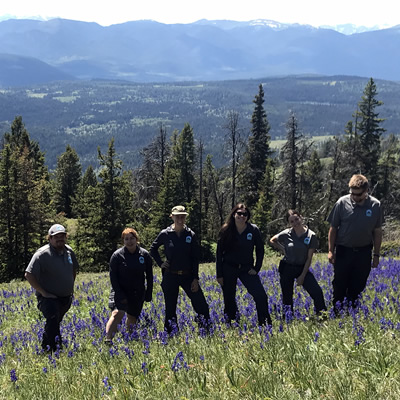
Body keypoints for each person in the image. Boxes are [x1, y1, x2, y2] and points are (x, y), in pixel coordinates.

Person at [150, 205, 210, 334]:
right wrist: (161, 263)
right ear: (172, 217)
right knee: (170, 308)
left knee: (201, 304)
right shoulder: (165, 234)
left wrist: (195, 278)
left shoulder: (190, 234)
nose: (180, 219)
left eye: (182, 217)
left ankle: (205, 330)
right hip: (170, 275)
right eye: (177, 217)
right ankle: (171, 334)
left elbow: (195, 258)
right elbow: (153, 249)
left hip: (188, 275)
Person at [327, 174, 383, 309]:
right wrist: (330, 250)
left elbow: (377, 232)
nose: (355, 197)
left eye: (358, 195)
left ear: (366, 191)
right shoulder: (342, 203)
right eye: (353, 194)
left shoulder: (375, 205)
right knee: (340, 283)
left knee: (359, 283)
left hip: (363, 251)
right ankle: (337, 312)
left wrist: (376, 254)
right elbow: (333, 228)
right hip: (344, 250)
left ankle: (352, 311)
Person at [216, 203, 272, 326]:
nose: (241, 216)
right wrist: (219, 274)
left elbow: (260, 250)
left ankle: (265, 323)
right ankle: (231, 323)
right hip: (229, 267)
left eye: (244, 214)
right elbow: (219, 253)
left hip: (246, 268)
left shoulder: (253, 230)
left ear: (247, 216)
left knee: (260, 295)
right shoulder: (226, 230)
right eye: (239, 213)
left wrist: (256, 268)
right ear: (234, 214)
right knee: (229, 298)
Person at [25, 224, 79, 351]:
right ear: (50, 238)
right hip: (49, 298)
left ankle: (47, 346)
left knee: (54, 323)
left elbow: (73, 270)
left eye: (62, 236)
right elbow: (29, 274)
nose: (60, 239)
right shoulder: (42, 254)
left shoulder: (69, 251)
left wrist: (70, 286)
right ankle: (54, 350)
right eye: (56, 237)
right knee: (53, 319)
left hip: (65, 297)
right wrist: (43, 292)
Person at [270, 210, 326, 317]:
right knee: (287, 297)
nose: (295, 223)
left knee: (317, 292)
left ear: (301, 217)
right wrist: (283, 249)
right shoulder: (287, 233)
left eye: (296, 219)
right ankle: (288, 319)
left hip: (302, 267)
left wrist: (302, 276)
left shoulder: (310, 235)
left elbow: (309, 259)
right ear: (289, 223)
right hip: (287, 267)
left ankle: (322, 316)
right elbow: (272, 240)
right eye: (292, 221)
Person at [105, 228, 153, 343]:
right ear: (123, 241)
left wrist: (149, 292)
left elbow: (149, 275)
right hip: (120, 289)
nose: (129, 241)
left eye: (132, 238)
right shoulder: (117, 256)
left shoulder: (144, 254)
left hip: (137, 291)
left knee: (132, 317)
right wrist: (119, 294)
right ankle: (108, 340)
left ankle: (130, 340)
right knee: (117, 313)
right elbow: (113, 278)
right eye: (126, 239)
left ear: (137, 239)